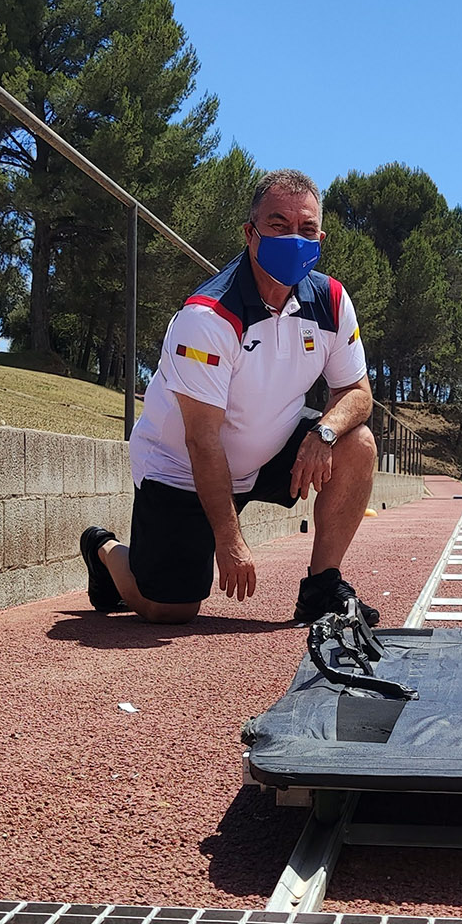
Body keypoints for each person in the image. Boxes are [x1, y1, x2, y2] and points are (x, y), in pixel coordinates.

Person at [80, 169, 380, 626]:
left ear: (321, 237)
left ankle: (321, 587)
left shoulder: (333, 301)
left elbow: (357, 393)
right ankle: (105, 550)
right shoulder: (208, 317)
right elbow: (202, 439)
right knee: (170, 610)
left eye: (306, 229)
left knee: (357, 443)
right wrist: (229, 536)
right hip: (181, 469)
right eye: (278, 225)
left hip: (267, 454)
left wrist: (325, 432)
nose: (293, 239)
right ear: (250, 232)